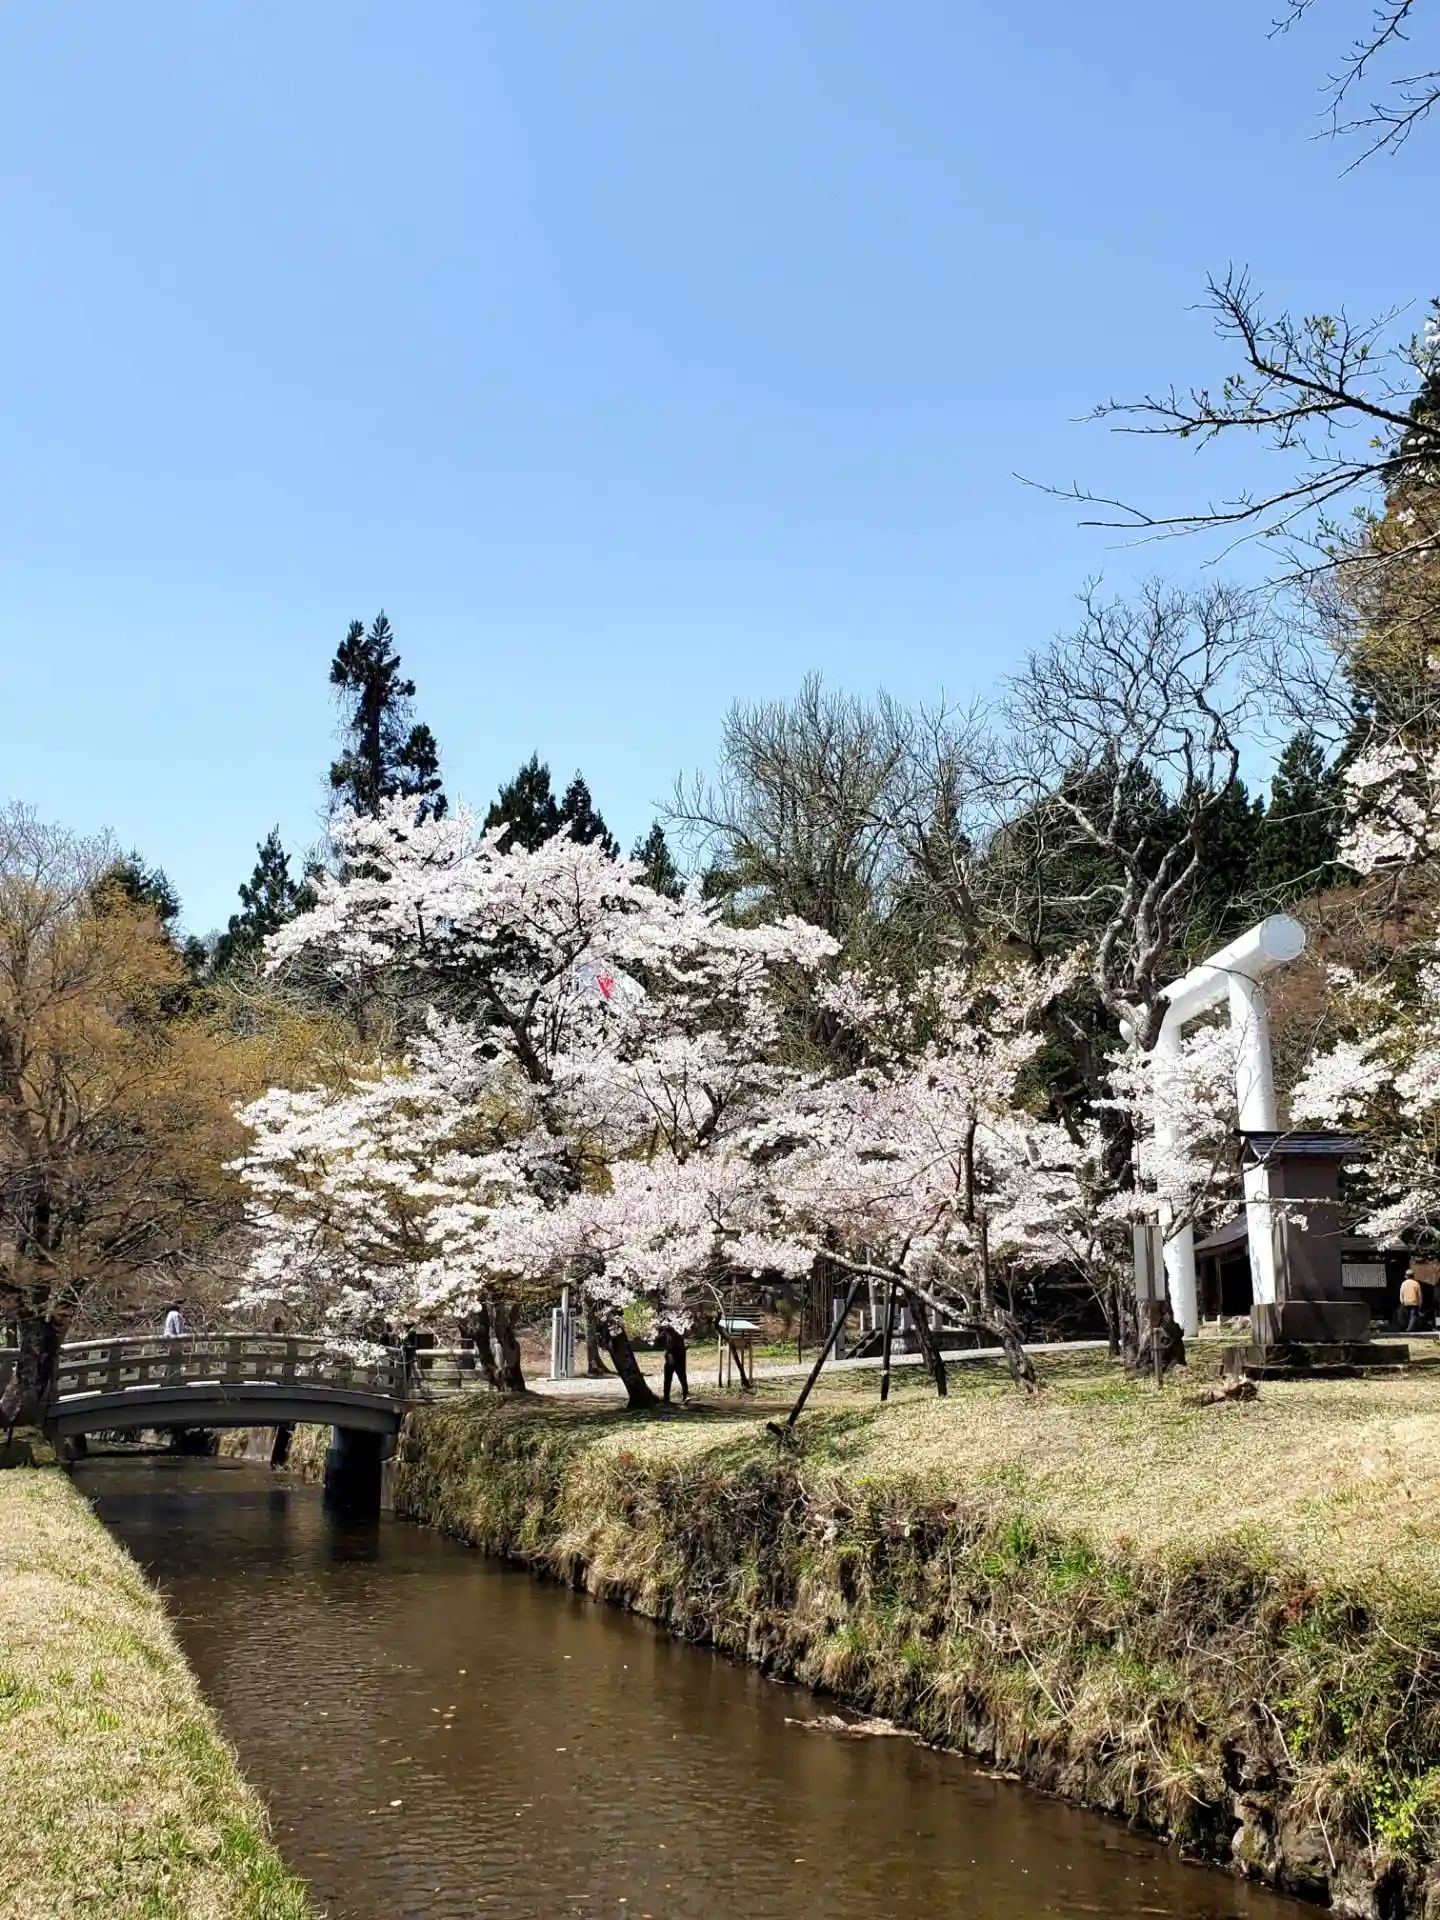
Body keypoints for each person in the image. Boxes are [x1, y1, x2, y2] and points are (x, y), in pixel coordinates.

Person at [660, 1323, 690, 1405]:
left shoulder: (677, 1338)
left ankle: (685, 1395)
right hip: (671, 1362)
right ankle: (667, 1397)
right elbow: (669, 1349)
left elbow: (679, 1350)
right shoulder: (670, 1337)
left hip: (677, 1361)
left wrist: (671, 1356)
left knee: (681, 1378)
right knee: (669, 1380)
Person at [1399, 1267, 1424, 1334]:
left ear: (1406, 1276)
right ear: (1413, 1276)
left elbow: (1401, 1294)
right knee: (1413, 1316)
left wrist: (1402, 1302)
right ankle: (1409, 1329)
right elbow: (1419, 1295)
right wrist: (1420, 1303)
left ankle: (1408, 1328)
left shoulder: (1403, 1283)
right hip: (1414, 1302)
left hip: (1406, 1302)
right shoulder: (1416, 1283)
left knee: (1407, 1316)